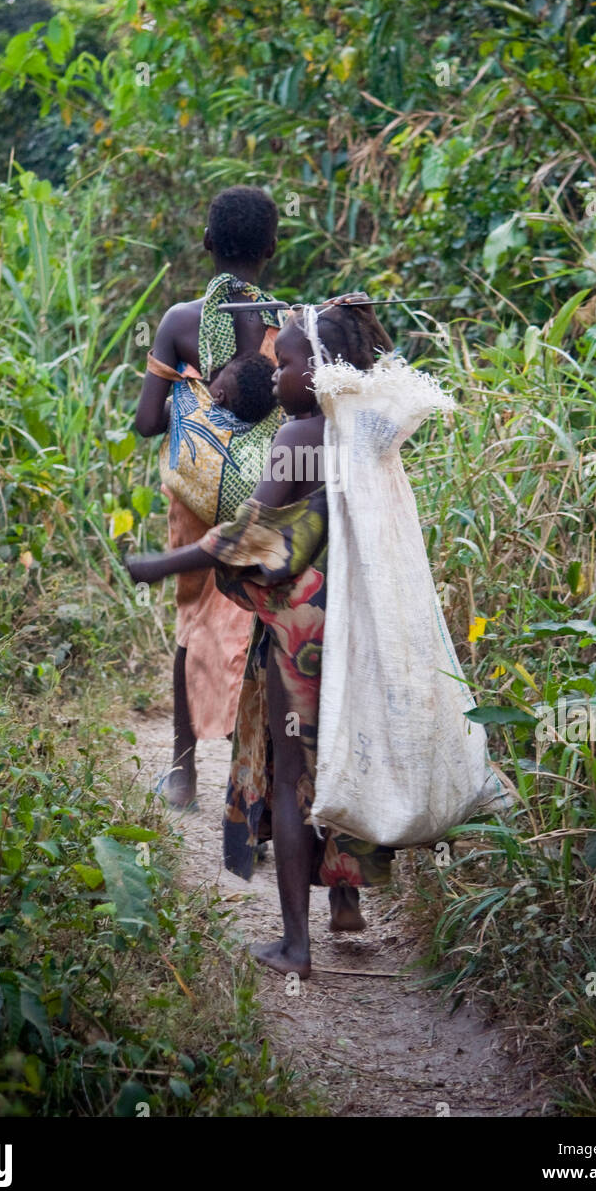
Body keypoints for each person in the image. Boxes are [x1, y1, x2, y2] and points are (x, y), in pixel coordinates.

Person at [126, 298, 397, 978]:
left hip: (301, 624)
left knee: (290, 774)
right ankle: (342, 896)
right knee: (343, 757)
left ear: (321, 373)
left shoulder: (300, 436)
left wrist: (159, 566)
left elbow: (248, 533)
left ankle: (295, 947)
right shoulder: (365, 431)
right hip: (357, 621)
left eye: (290, 363)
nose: (277, 375)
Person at [133, 186, 281, 808]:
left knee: (192, 620)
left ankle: (183, 768)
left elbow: (146, 422)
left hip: (197, 494)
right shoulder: (289, 322)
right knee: (266, 629)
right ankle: (255, 786)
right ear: (273, 249)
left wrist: (193, 401)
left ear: (207, 244)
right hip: (269, 493)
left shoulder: (177, 322)